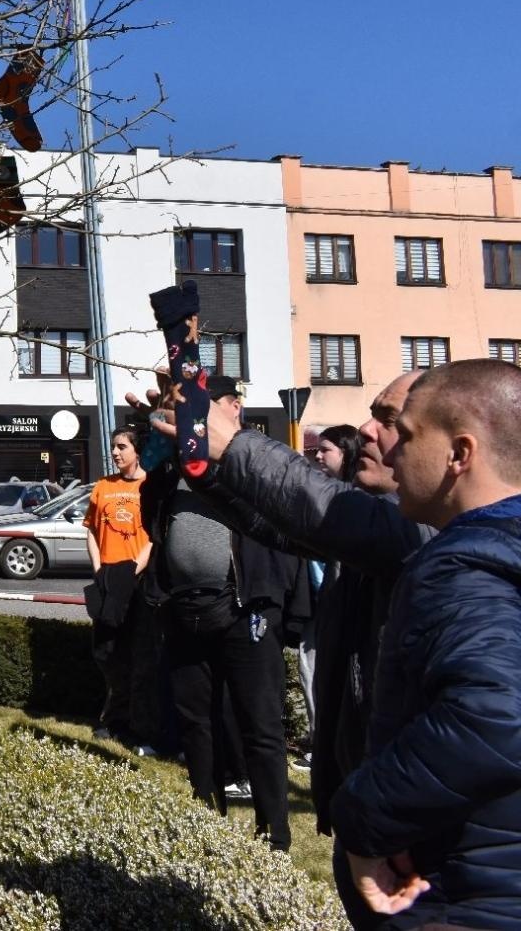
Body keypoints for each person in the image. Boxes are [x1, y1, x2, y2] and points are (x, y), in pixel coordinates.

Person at [150, 370, 435, 926]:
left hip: (414, 841)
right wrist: (198, 458)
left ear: (458, 445)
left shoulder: (428, 532)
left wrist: (230, 442)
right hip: (376, 825)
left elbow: (317, 507)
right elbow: (274, 519)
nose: (367, 431)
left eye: (389, 419)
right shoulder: (391, 521)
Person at [326, 360, 521, 928]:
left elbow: (496, 715)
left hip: (467, 896)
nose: (390, 453)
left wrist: (363, 817)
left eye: (406, 435)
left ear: (460, 454)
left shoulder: (464, 569)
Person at [141, 376, 300, 852]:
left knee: (260, 724)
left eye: (223, 404)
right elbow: (150, 494)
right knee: (195, 720)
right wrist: (160, 429)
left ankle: (274, 829)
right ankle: (206, 815)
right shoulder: (176, 468)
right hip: (186, 610)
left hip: (243, 609)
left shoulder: (245, 458)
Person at [295, 424, 363, 770]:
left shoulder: (357, 498)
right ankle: (319, 739)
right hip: (313, 602)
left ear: (347, 453)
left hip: (340, 603)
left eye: (326, 451)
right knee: (309, 670)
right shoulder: (319, 494)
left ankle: (332, 745)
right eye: (315, 451)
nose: (318, 457)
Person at [83, 426, 154, 748]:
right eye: (113, 446)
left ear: (137, 450)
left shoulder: (149, 486)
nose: (115, 452)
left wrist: (132, 571)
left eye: (122, 446)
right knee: (106, 653)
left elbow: (153, 536)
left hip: (136, 579)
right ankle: (113, 719)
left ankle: (137, 724)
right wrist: (100, 570)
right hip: (108, 576)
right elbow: (91, 531)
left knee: (137, 654)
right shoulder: (102, 487)